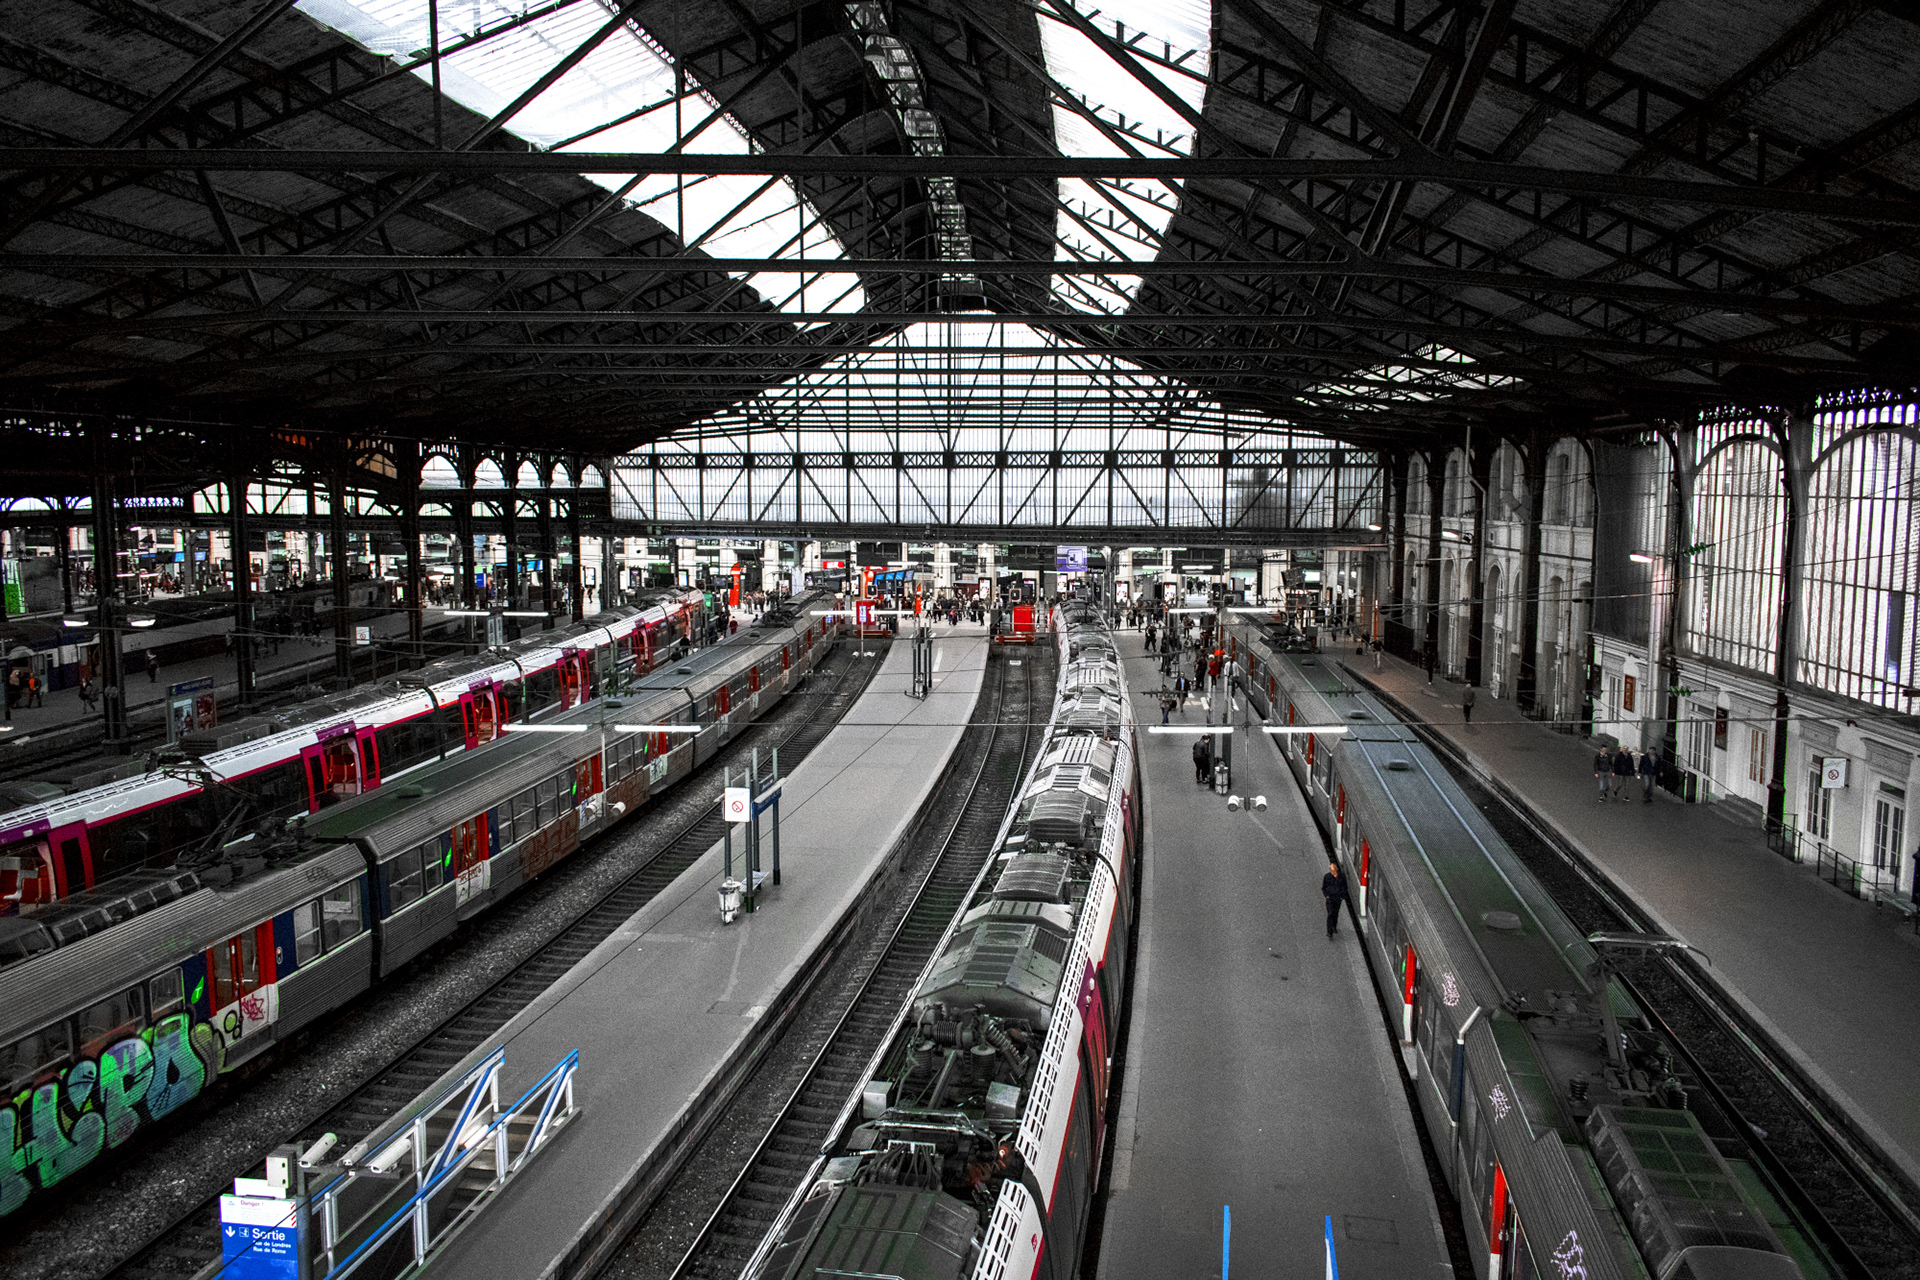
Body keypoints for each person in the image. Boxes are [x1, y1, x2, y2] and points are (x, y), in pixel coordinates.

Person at [1322, 860, 1350, 938]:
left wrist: (1342, 896)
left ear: (1336, 869)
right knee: (1330, 913)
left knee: (1335, 913)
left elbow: (1345, 887)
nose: (1333, 872)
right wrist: (1327, 896)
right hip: (1330, 898)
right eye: (1331, 870)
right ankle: (1329, 931)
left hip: (1338, 898)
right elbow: (1323, 888)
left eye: (1334, 870)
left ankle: (1334, 926)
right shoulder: (1327, 877)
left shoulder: (1342, 877)